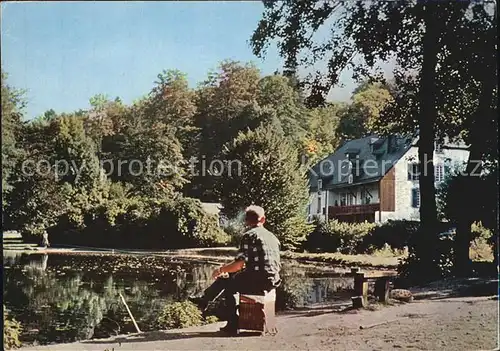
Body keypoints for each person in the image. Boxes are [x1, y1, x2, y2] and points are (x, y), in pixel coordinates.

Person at [189, 205, 281, 334]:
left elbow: (239, 264)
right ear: (263, 219)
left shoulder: (249, 236)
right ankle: (204, 300)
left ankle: (231, 323)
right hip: (274, 279)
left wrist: (221, 270)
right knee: (232, 278)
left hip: (258, 279)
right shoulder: (273, 237)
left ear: (247, 221)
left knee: (228, 283)